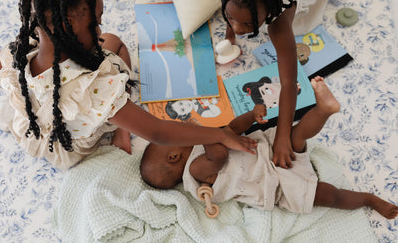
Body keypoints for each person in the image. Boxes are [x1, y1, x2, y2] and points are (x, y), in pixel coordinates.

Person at [0, 0, 257, 170]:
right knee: (117, 43)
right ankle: (120, 128)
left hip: (32, 125)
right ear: (66, 24)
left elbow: (18, 49)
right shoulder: (93, 90)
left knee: (18, 46)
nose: (101, 29)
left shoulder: (24, 49)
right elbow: (159, 132)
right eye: (96, 23)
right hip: (70, 143)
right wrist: (221, 134)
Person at [140, 77, 398, 219]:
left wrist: (252, 115)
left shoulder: (202, 140)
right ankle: (367, 199)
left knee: (296, 135)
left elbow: (232, 128)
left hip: (271, 153)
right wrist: (207, 134)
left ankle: (324, 110)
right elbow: (218, 154)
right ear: (174, 156)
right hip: (274, 184)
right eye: (173, 136)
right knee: (329, 196)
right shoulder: (196, 170)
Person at [221, 0, 353, 169]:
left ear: (269, 11)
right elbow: (233, 11)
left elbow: (289, 82)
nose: (239, 29)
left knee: (315, 6)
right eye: (232, 18)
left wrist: (282, 137)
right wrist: (229, 36)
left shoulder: (279, 23)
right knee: (238, 11)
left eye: (248, 24)